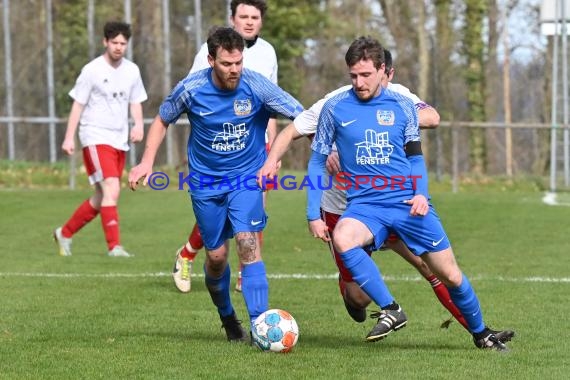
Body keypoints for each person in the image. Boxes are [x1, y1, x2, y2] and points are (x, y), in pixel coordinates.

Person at [260, 37, 514, 351]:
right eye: (353, 75)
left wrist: (421, 193)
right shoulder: (334, 107)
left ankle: (481, 333)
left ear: (385, 71)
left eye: (366, 75)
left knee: (448, 273)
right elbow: (315, 159)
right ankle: (391, 310)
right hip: (363, 205)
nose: (359, 82)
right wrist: (312, 213)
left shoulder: (403, 105)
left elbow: (416, 156)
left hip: (405, 203)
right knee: (344, 241)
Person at [128, 27, 303, 342]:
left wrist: (274, 157)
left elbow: (302, 117)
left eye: (238, 63)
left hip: (247, 178)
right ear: (211, 60)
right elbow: (162, 119)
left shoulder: (256, 85)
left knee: (248, 244)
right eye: (226, 64)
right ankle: (228, 318)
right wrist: (146, 161)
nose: (234, 70)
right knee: (217, 258)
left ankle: (259, 326)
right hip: (205, 184)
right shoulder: (191, 89)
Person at [173, 0, 278, 294]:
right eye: (242, 16)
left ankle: (247, 273)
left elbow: (270, 102)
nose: (248, 22)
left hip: (257, 146)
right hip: (218, 148)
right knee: (221, 212)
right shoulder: (208, 54)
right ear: (232, 19)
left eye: (254, 17)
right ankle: (187, 253)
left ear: (261, 21)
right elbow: (192, 94)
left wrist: (274, 147)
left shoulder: (268, 52)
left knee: (255, 209)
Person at [53, 21, 147, 258]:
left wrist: (137, 124)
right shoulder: (92, 70)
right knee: (112, 188)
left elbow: (135, 101)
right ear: (105, 42)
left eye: (122, 43)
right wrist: (68, 138)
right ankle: (114, 247)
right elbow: (78, 105)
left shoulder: (132, 71)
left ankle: (64, 233)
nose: (118, 47)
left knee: (102, 195)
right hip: (95, 135)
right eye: (114, 42)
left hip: (118, 139)